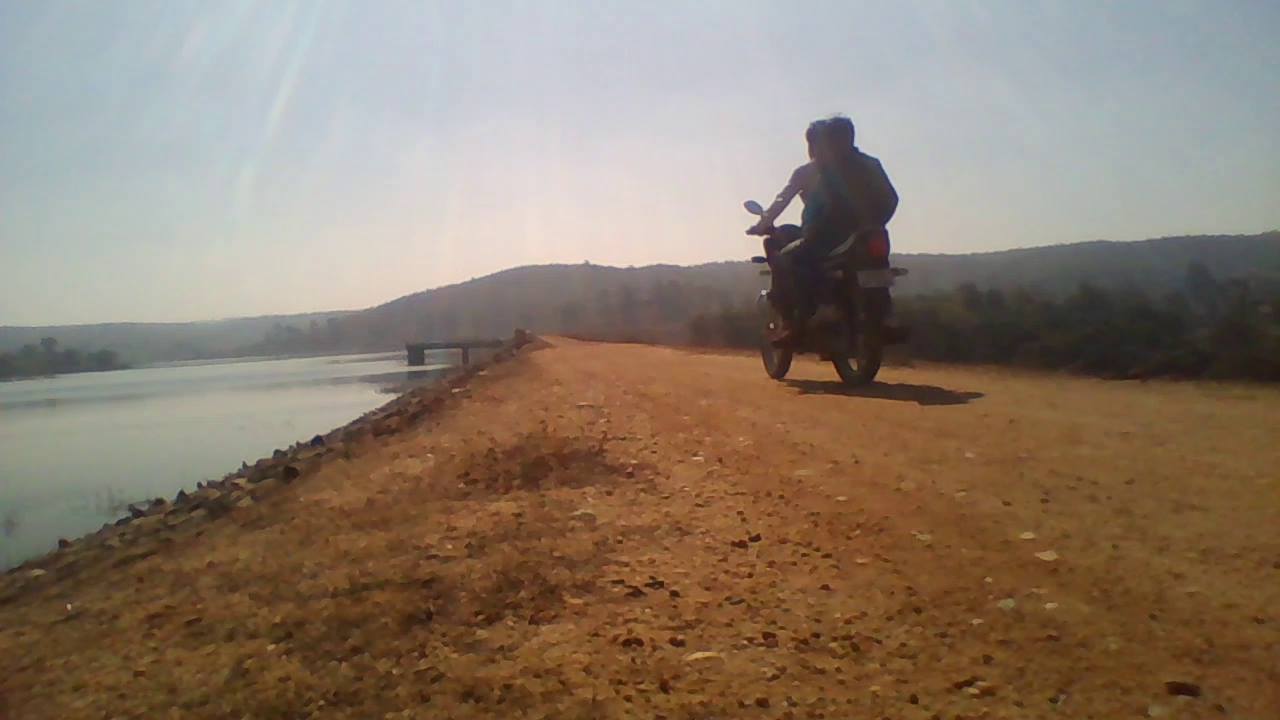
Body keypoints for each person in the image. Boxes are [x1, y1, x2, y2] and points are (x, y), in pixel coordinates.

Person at [756, 116, 899, 345]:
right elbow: (891, 198)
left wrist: (808, 229)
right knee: (878, 266)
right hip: (869, 233)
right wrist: (875, 223)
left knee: (786, 259)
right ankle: (886, 318)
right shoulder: (871, 163)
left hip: (825, 237)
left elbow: (816, 207)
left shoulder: (828, 171)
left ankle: (799, 322)